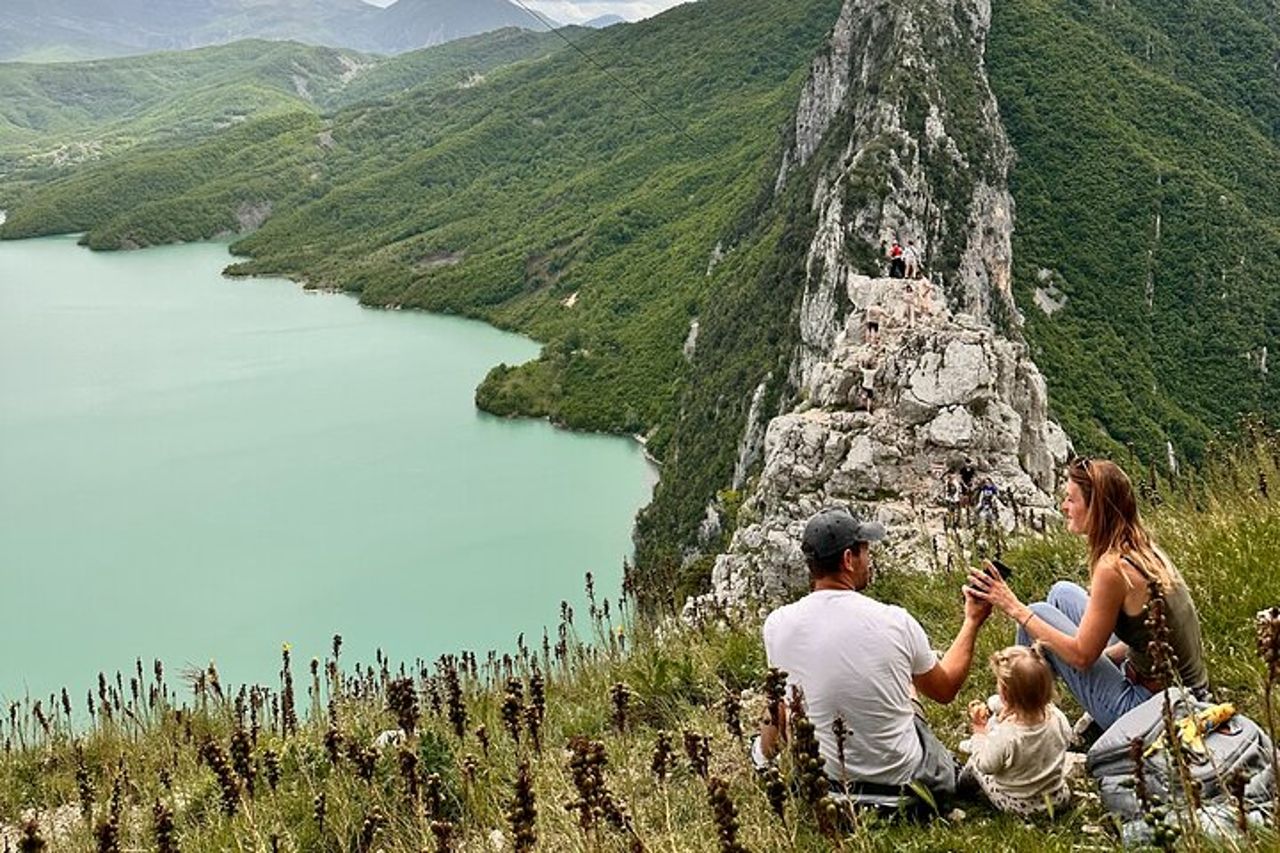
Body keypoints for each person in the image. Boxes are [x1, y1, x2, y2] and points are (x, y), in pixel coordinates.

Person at [756, 506, 991, 800]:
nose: (869, 560)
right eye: (865, 551)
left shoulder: (777, 625)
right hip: (905, 792)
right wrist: (972, 621)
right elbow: (945, 690)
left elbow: (779, 707)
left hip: (828, 792)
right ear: (848, 559)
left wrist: (762, 758)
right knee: (908, 689)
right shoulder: (895, 620)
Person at [967, 458, 1209, 730]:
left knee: (1038, 612)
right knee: (1062, 593)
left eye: (1071, 499)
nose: (1064, 507)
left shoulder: (1113, 567)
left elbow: (1082, 657)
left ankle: (1022, 719)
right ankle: (1028, 701)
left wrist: (1013, 606)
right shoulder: (1140, 545)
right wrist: (1106, 657)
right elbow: (1144, 637)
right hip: (1184, 689)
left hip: (1155, 711)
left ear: (1097, 508)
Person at [961, 644, 1072, 816]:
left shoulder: (1007, 734)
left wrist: (979, 731)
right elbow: (1066, 738)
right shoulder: (1057, 717)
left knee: (975, 762)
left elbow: (986, 765)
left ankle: (960, 788)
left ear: (1005, 693)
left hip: (1018, 804)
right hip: (1057, 797)